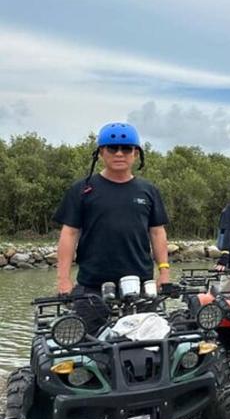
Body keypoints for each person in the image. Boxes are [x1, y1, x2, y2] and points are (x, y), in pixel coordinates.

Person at [54, 122, 170, 297]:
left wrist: (164, 272)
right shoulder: (82, 189)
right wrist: (63, 279)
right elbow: (69, 233)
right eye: (112, 148)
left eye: (126, 149)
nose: (119, 154)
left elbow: (157, 232)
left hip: (141, 284)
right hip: (91, 285)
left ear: (136, 153)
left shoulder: (149, 191)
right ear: (101, 152)